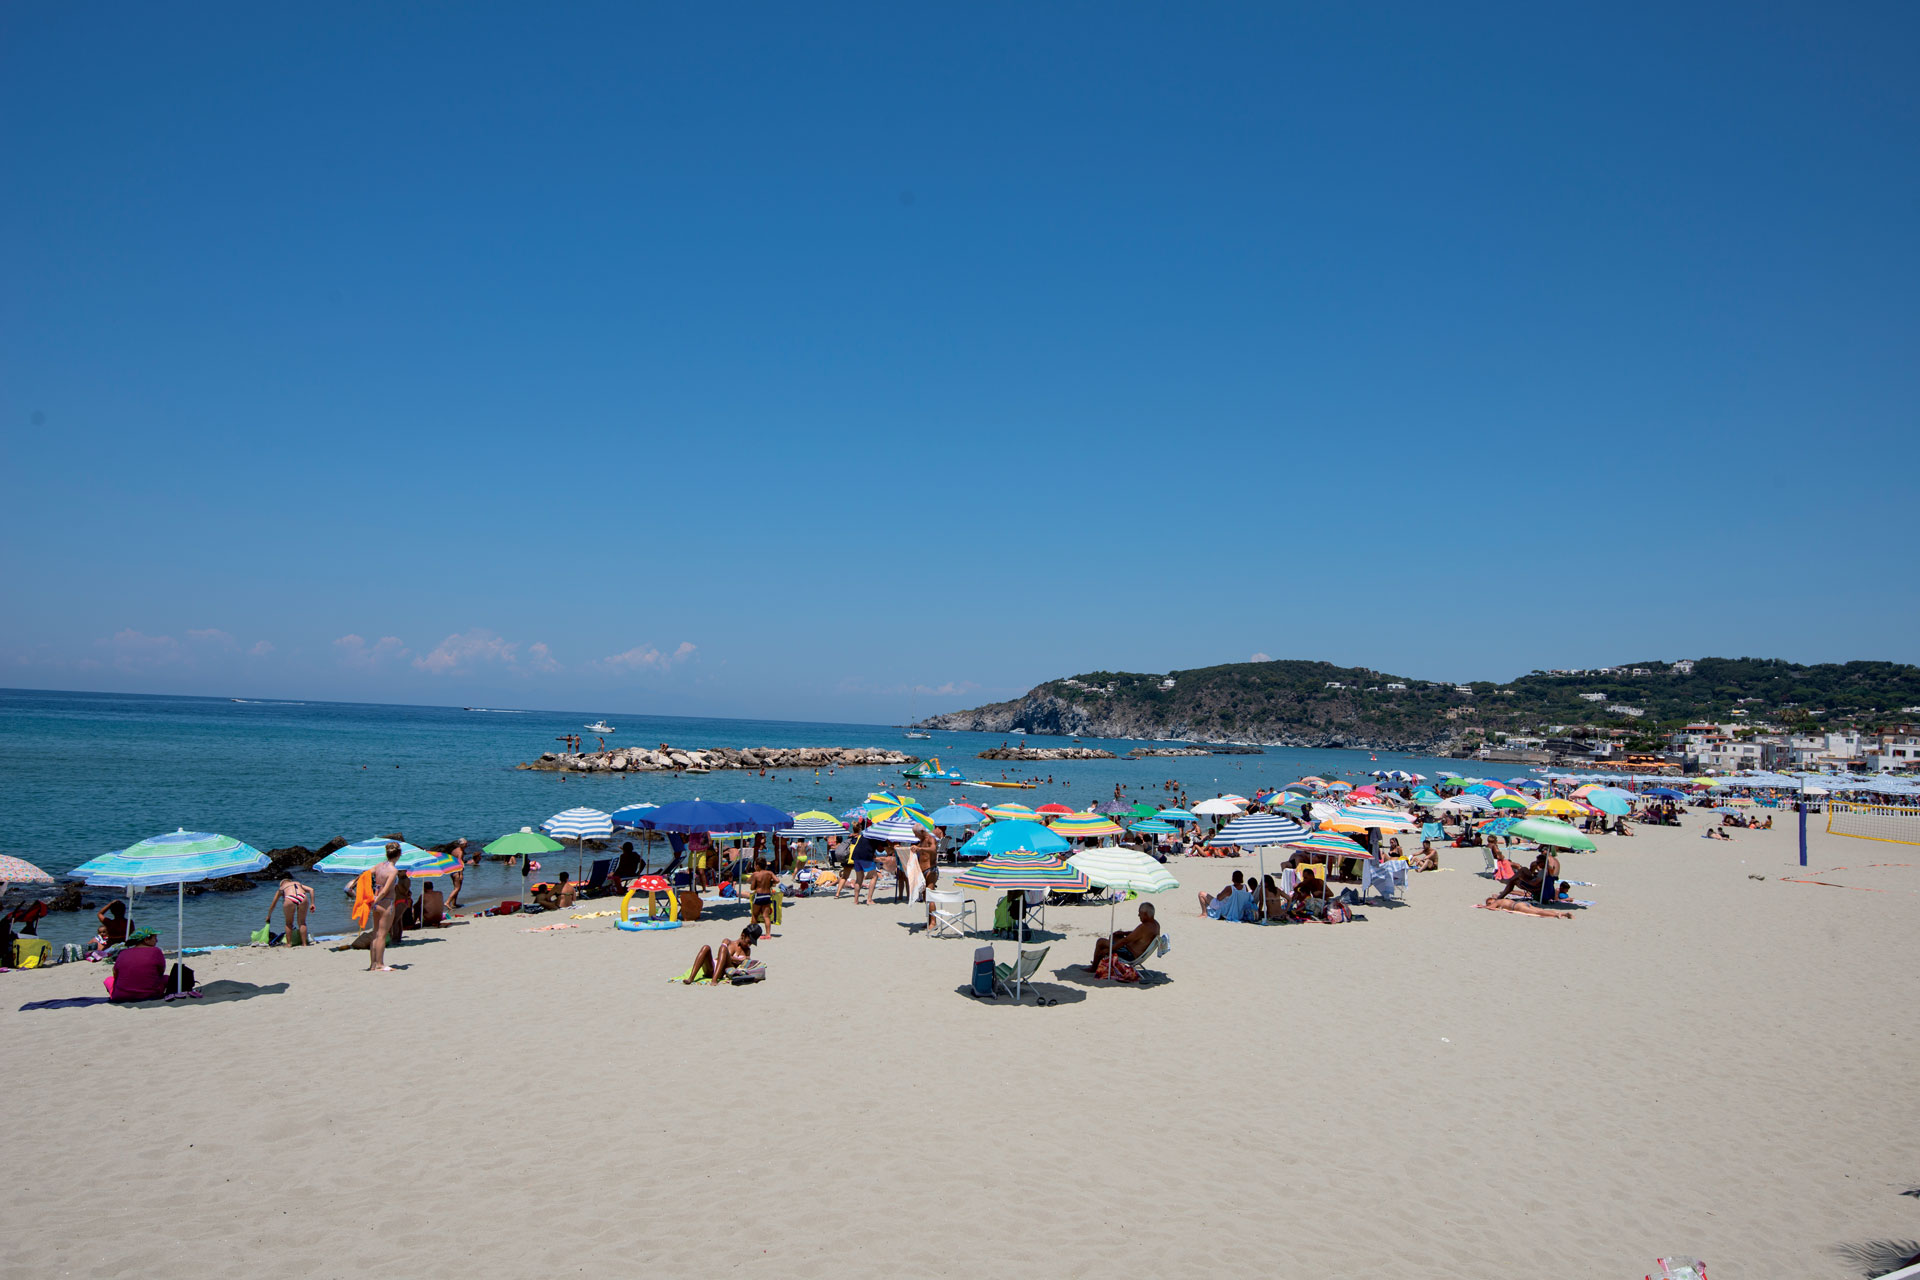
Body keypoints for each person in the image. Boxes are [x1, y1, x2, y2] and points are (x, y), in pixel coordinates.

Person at [1090, 902, 1160, 971]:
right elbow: (1139, 935)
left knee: (1101, 942)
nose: (1138, 915)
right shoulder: (1156, 925)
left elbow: (1125, 941)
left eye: (1140, 913)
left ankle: (1093, 968)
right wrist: (1124, 933)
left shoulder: (1144, 927)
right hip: (1136, 954)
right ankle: (1100, 961)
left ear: (1145, 914)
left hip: (1130, 955)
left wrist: (1110, 949)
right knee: (1114, 936)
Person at [684, 923, 762, 985]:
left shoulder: (747, 950)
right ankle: (691, 978)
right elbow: (721, 956)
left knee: (723, 949)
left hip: (723, 972)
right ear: (743, 935)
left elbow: (741, 965)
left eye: (751, 943)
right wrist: (738, 959)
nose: (749, 945)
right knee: (706, 947)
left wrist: (741, 961)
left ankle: (714, 980)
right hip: (711, 967)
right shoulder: (728, 942)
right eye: (748, 942)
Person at [104, 929, 169, 1002]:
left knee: (109, 980)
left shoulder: (123, 952)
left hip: (120, 996)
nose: (157, 941)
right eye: (155, 938)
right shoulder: (156, 951)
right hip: (150, 994)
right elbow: (160, 972)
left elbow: (116, 974)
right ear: (146, 939)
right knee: (167, 978)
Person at [367, 842, 401, 972]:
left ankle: (373, 964)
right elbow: (385, 890)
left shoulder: (379, 866)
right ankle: (380, 964)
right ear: (399, 855)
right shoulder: (393, 870)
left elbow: (365, 875)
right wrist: (377, 899)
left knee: (375, 933)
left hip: (376, 904)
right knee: (382, 934)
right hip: (386, 902)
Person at [264, 876, 313, 946]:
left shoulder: (281, 888)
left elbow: (273, 904)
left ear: (282, 884)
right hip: (302, 896)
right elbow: (311, 890)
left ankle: (289, 944)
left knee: (289, 923)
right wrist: (312, 903)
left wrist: (268, 916)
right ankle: (304, 943)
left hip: (290, 898)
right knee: (302, 922)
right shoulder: (298, 884)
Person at [748, 859, 778, 933]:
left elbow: (751, 887)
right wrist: (770, 883)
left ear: (757, 866)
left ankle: (753, 933)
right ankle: (768, 934)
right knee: (766, 916)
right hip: (767, 895)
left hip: (759, 895)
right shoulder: (769, 873)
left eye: (755, 865)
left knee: (755, 915)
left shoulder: (756, 874)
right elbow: (777, 880)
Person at [446, 837, 468, 908]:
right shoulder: (460, 852)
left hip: (452, 871)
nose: (466, 846)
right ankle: (447, 902)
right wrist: (461, 874)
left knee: (456, 887)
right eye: (465, 844)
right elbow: (460, 863)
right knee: (457, 888)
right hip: (457, 872)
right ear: (462, 845)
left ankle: (454, 903)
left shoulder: (454, 850)